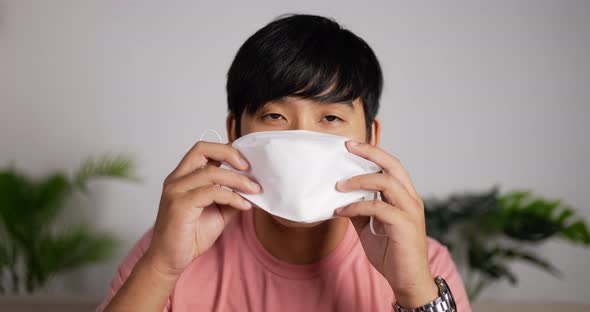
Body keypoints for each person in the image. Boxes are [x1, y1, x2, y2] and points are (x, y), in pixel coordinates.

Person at [98, 14, 471, 312]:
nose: (301, 140)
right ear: (235, 131)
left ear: (372, 137)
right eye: (275, 116)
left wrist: (414, 290)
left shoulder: (423, 261)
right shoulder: (175, 243)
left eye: (330, 119)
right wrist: (162, 266)